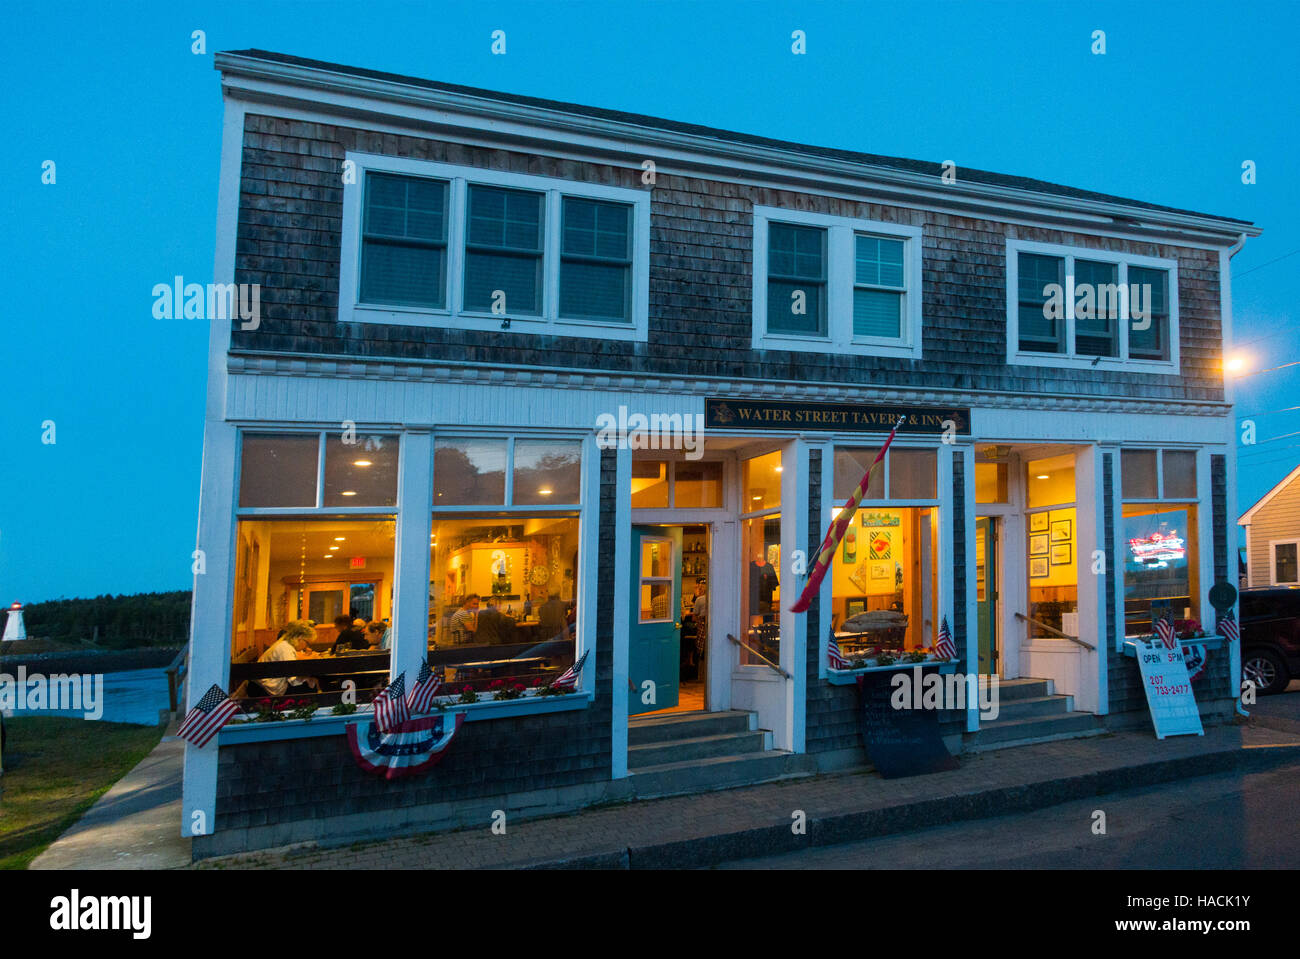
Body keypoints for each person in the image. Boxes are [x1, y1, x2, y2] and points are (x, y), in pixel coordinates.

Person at [257, 620, 320, 697]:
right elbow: (293, 680)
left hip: (265, 685)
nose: (306, 647)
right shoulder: (286, 648)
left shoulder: (284, 644)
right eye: (307, 643)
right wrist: (307, 679)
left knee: (310, 682)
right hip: (267, 689)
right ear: (300, 637)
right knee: (311, 687)